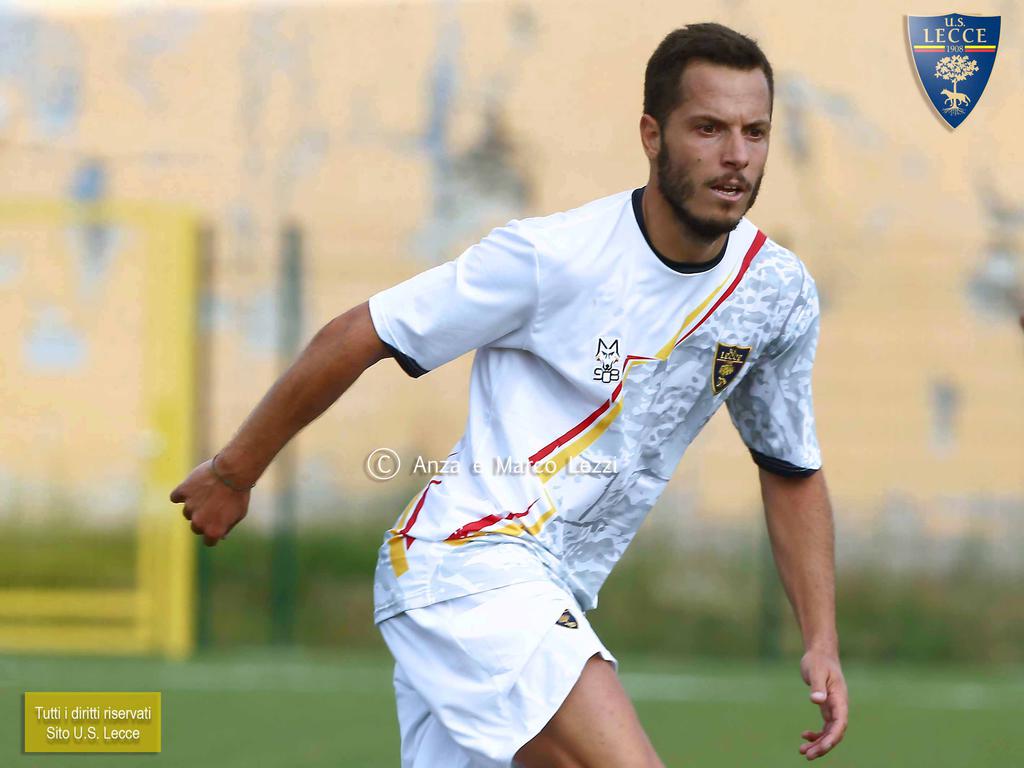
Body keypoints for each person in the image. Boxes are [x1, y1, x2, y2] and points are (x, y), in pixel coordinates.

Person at [170, 22, 848, 767]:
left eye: (756, 132)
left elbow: (789, 466)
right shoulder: (552, 257)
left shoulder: (776, 292)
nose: (737, 156)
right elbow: (359, 333)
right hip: (470, 562)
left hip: (544, 588)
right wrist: (233, 473)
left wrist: (820, 639)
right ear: (652, 136)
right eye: (709, 128)